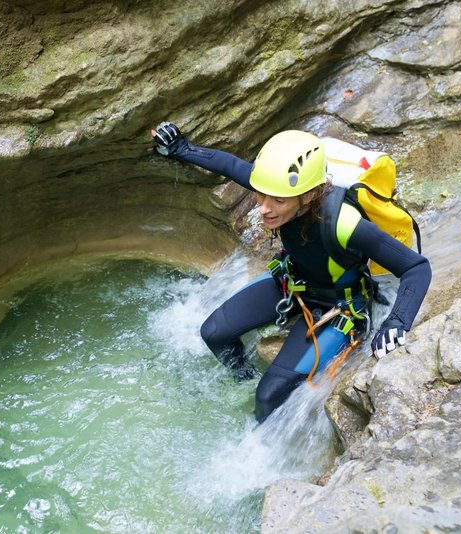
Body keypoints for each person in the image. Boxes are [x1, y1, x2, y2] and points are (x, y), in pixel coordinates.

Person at [151, 122, 432, 422]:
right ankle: (244, 379)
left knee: (268, 397)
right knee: (214, 333)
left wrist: (397, 322)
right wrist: (181, 148)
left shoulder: (344, 224)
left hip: (337, 309)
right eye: (261, 195)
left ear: (308, 195)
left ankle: (261, 433)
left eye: (277, 201)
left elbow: (416, 267)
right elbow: (231, 165)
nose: (264, 209)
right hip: (293, 283)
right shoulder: (280, 188)